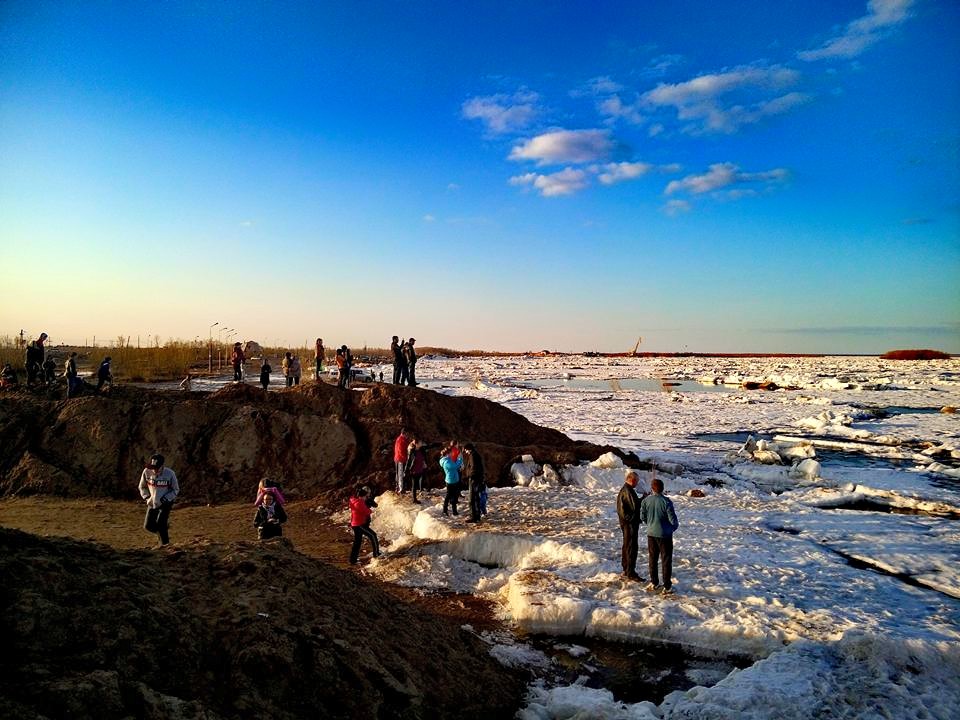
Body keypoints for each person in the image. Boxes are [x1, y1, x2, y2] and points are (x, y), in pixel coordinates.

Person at [640, 476, 680, 594]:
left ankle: (654, 582)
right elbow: (673, 520)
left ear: (652, 488)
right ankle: (667, 586)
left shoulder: (646, 501)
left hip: (651, 534)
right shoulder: (666, 502)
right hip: (665, 535)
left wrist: (650, 524)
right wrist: (672, 528)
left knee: (653, 559)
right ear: (662, 489)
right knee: (666, 560)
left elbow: (642, 517)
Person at [138, 453, 179, 546]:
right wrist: (147, 497)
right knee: (148, 526)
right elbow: (142, 487)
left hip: (166, 502)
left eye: (156, 468)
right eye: (152, 467)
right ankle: (161, 534)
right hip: (152, 502)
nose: (154, 470)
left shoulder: (170, 474)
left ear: (162, 466)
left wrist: (166, 499)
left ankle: (165, 545)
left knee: (161, 523)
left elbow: (175, 489)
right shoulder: (146, 472)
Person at [617, 470, 649, 582]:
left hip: (626, 523)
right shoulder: (628, 491)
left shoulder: (626, 489)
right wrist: (644, 499)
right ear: (633, 480)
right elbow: (635, 508)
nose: (637, 483)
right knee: (631, 547)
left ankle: (626, 569)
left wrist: (642, 498)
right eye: (637, 481)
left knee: (627, 546)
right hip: (629, 524)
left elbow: (633, 506)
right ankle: (630, 572)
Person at [349, 486, 380, 564]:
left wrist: (367, 502)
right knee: (373, 535)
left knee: (357, 542)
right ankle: (376, 554)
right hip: (359, 525)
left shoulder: (353, 499)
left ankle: (353, 560)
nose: (367, 497)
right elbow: (368, 512)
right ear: (363, 496)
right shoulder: (359, 503)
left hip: (355, 524)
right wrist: (368, 506)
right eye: (366, 496)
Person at [462, 443, 485, 523]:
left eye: (465, 450)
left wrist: (469, 476)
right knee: (476, 498)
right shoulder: (475, 454)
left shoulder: (473, 455)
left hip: (474, 479)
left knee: (472, 498)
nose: (465, 452)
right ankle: (477, 516)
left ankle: (474, 516)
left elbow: (474, 468)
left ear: (468, 449)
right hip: (477, 479)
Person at [439, 444, 463, 516]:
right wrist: (460, 459)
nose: (452, 453)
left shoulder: (448, 459)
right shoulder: (446, 462)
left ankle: (450, 510)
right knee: (451, 496)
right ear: (447, 454)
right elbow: (455, 466)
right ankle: (446, 510)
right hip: (451, 481)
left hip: (453, 479)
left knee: (452, 496)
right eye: (451, 452)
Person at [393, 428, 409, 494]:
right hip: (400, 459)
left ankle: (399, 488)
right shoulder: (401, 440)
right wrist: (407, 458)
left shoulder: (401, 439)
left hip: (399, 458)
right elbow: (401, 451)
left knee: (400, 474)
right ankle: (400, 489)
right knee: (400, 474)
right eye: (407, 434)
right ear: (404, 433)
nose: (408, 435)